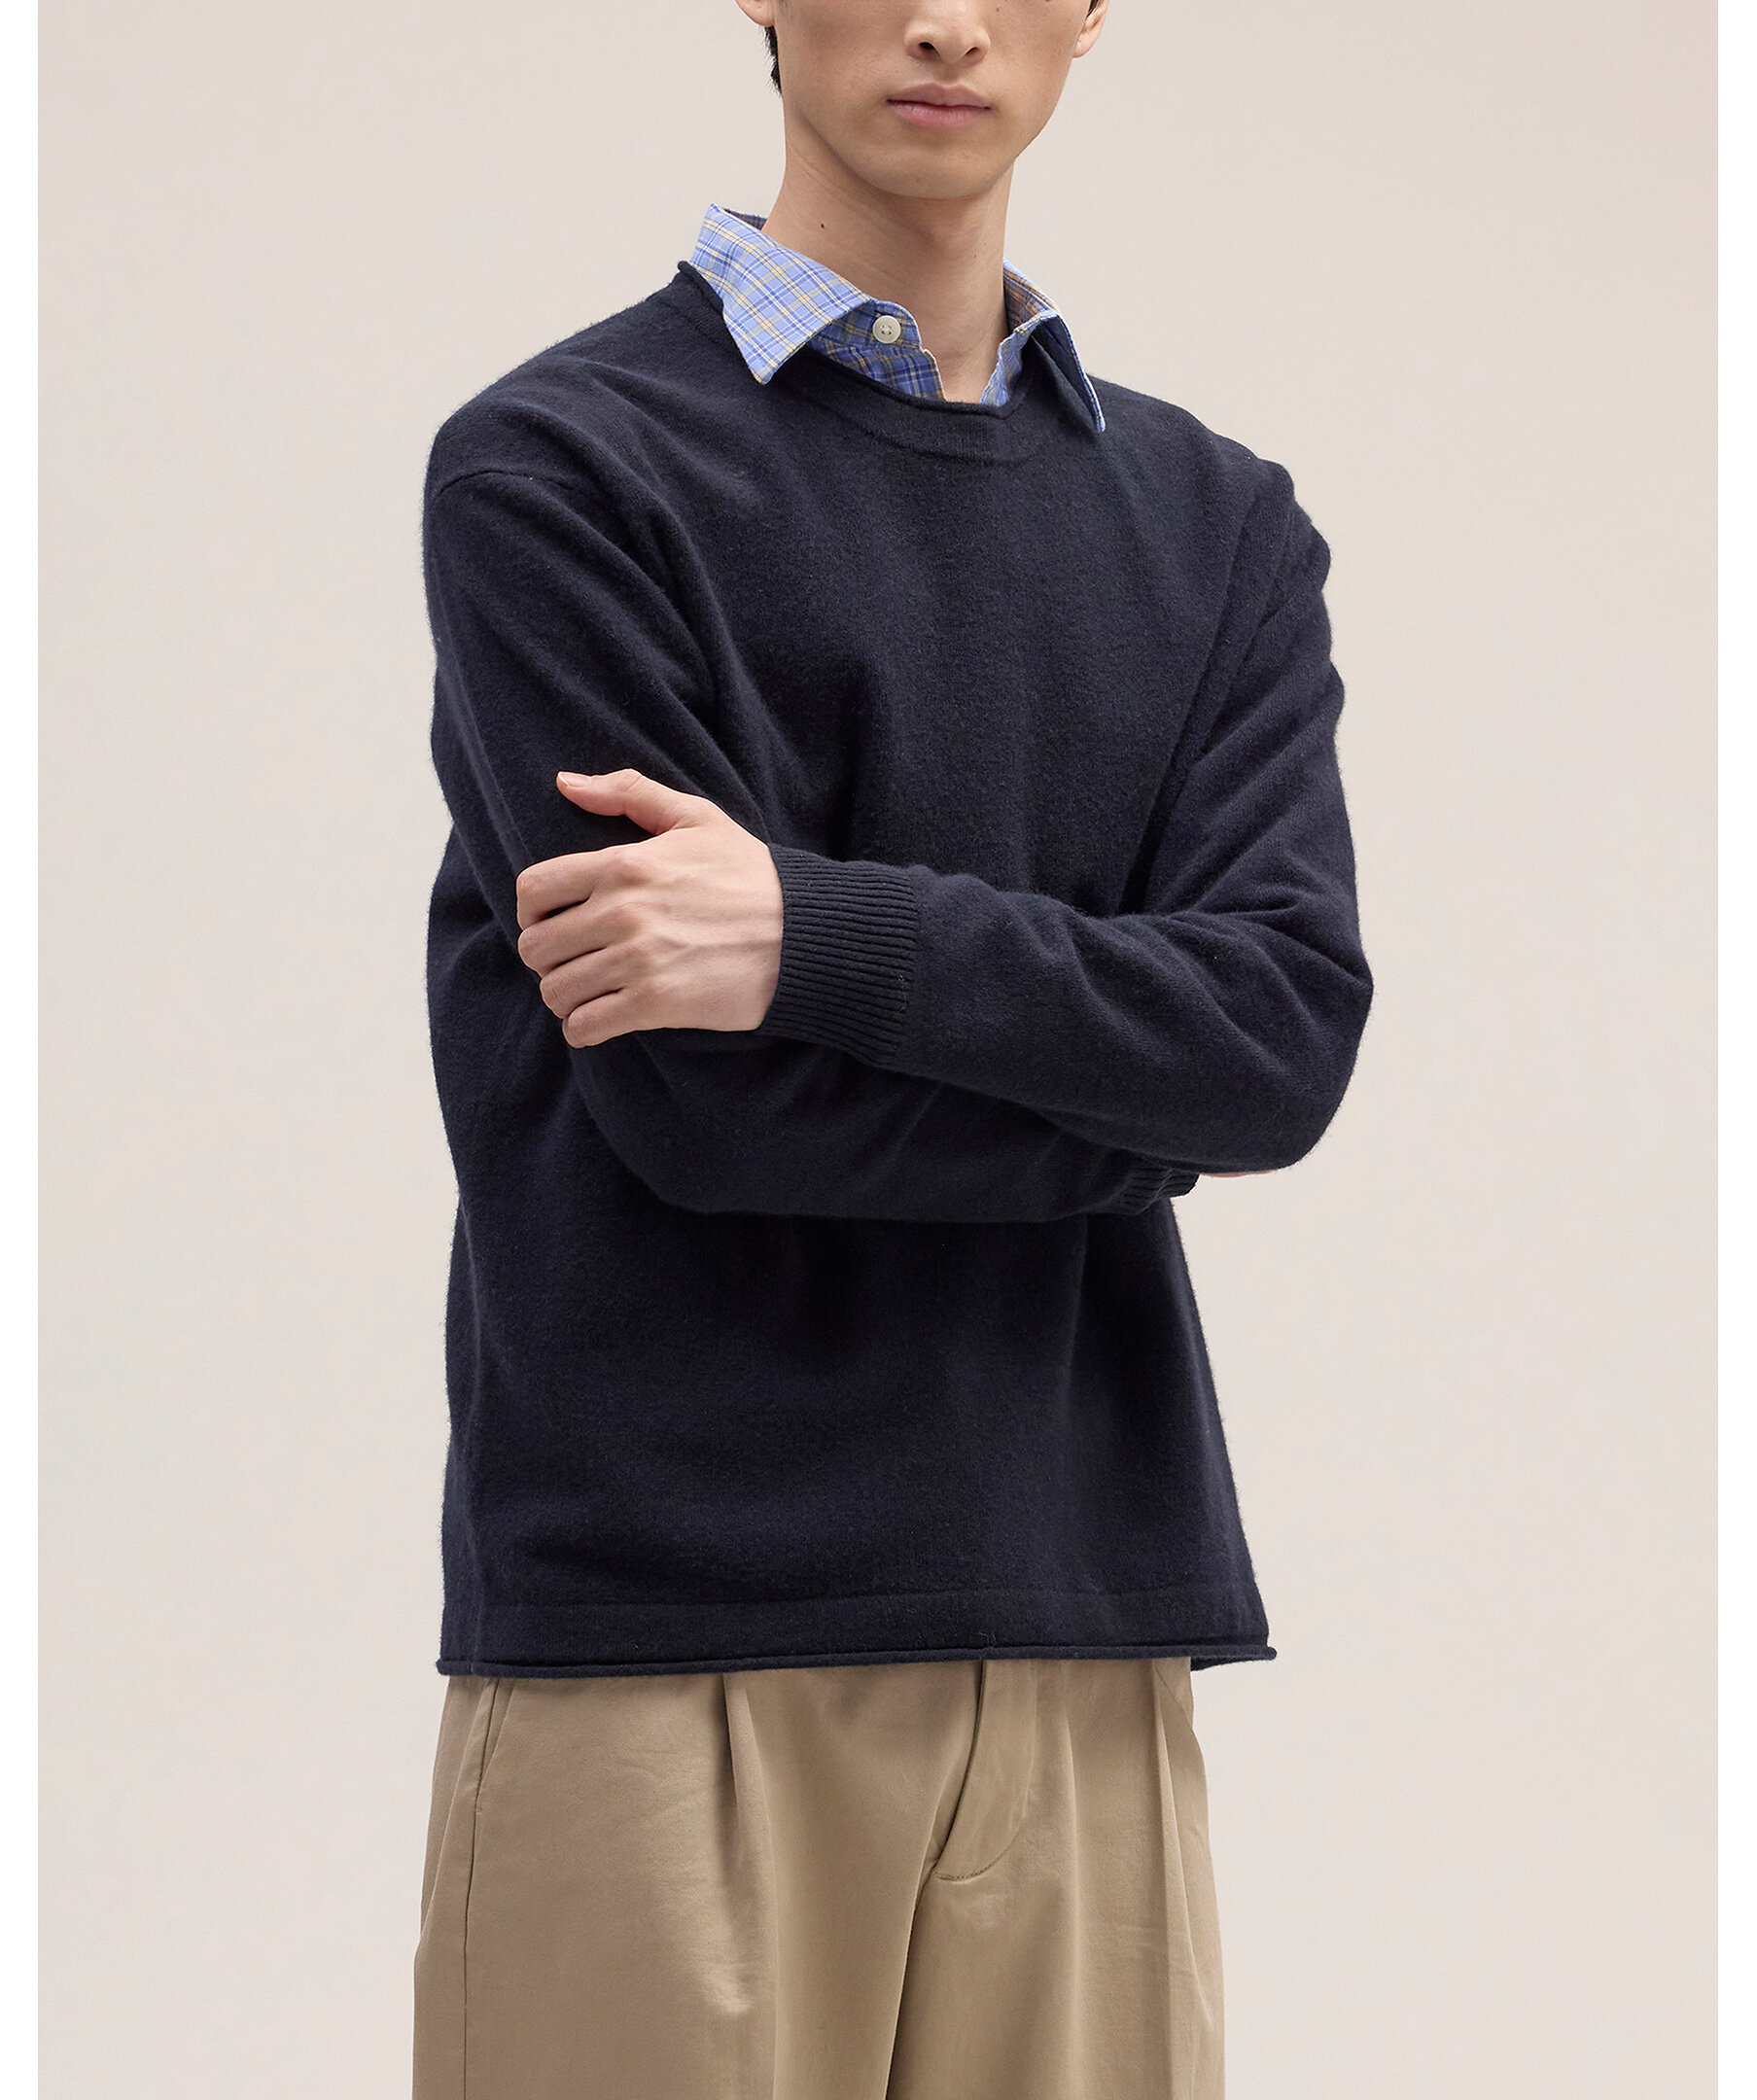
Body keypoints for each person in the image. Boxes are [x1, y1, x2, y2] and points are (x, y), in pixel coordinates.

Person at [411, 2, 1372, 2094]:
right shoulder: (562, 470)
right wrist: (1127, 1088)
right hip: (664, 1641)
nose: (945, 17)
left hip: (1084, 1618)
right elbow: (700, 1100)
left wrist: (815, 935)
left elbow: (1279, 1043)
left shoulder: (1217, 525)